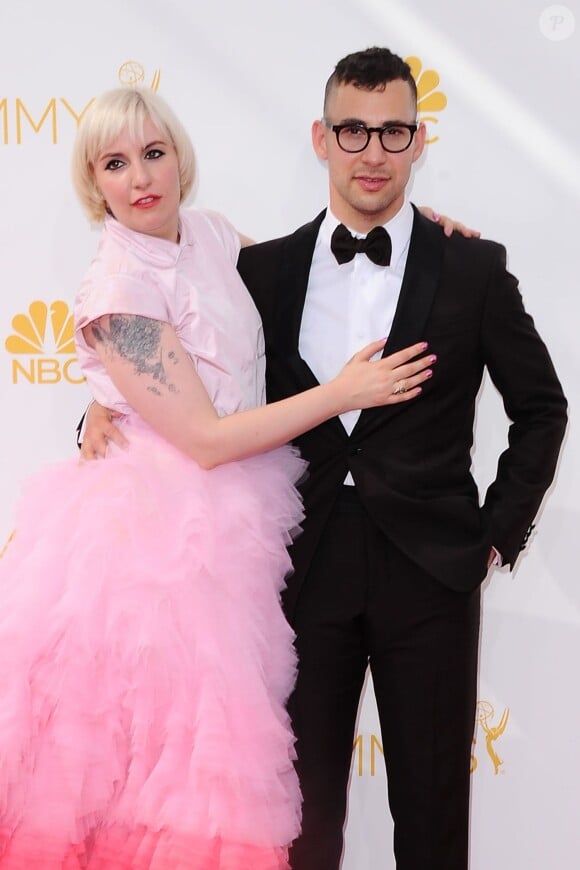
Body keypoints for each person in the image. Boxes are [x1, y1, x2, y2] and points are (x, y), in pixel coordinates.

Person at [81, 47, 567, 870]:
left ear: (419, 142)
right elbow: (182, 350)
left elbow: (543, 410)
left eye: (391, 133)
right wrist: (97, 405)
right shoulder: (258, 268)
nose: (371, 152)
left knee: (434, 815)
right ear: (320, 137)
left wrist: (491, 537)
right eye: (352, 131)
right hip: (296, 571)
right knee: (298, 827)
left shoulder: (473, 267)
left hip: (433, 575)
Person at [0, 86, 437, 868]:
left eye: (154, 153)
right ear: (91, 182)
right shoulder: (116, 288)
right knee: (169, 770)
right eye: (115, 162)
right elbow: (202, 439)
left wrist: (424, 238)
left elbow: (313, 277)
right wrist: (339, 394)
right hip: (157, 546)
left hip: (242, 515)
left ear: (180, 158)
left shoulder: (208, 233)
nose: (141, 177)